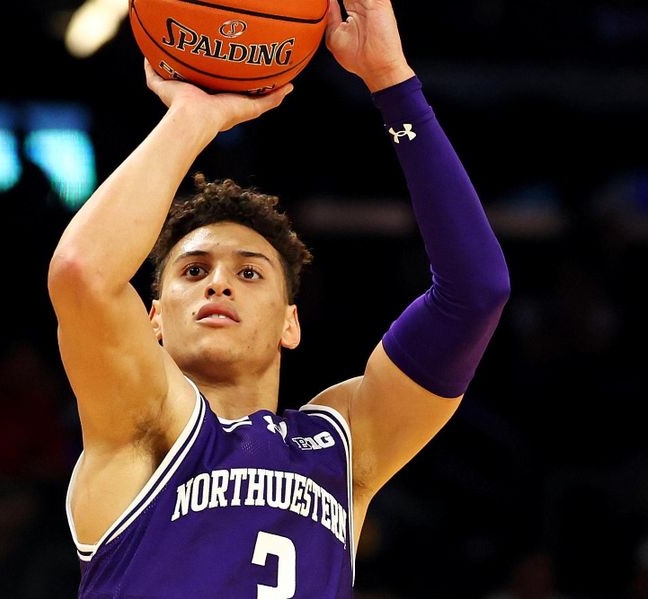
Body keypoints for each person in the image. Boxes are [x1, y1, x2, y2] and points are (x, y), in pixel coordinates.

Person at [48, 0, 511, 596]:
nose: (218, 282)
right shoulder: (141, 425)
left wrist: (392, 80)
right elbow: (84, 272)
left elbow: (476, 293)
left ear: (290, 322)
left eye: (249, 274)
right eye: (193, 271)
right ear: (153, 318)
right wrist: (191, 118)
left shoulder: (344, 447)